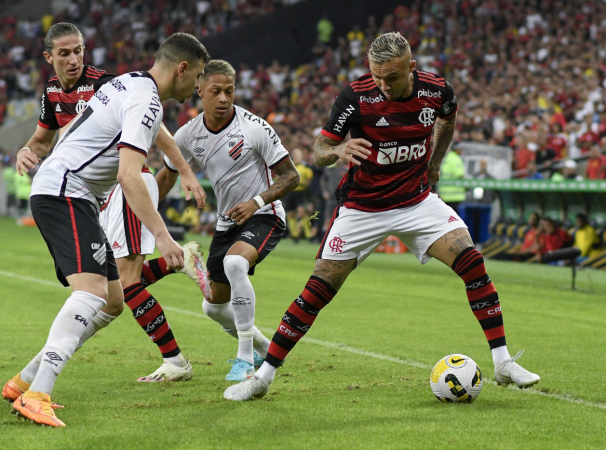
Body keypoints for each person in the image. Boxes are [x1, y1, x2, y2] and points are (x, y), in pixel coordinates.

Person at [225, 32, 540, 401]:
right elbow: (319, 151)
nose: (383, 85)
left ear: (412, 67)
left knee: (473, 263)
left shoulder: (437, 91)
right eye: (376, 76)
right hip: (362, 208)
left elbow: (448, 119)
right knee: (317, 291)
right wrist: (340, 148)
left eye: (391, 77)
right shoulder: (355, 97)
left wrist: (434, 164)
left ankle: (502, 361)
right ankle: (262, 378)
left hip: (417, 202)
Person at [3, 32, 209, 427]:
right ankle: (38, 393)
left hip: (66, 189)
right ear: (181, 69)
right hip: (66, 192)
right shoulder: (145, 99)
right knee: (92, 292)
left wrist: (182, 168)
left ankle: (23, 380)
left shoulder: (128, 81)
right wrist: (164, 237)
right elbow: (129, 176)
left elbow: (129, 133)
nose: (196, 87)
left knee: (114, 299)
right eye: (197, 76)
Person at [156, 60, 300, 381]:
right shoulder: (188, 134)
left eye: (230, 91)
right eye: (216, 91)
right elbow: (167, 175)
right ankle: (263, 346)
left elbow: (292, 176)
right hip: (227, 222)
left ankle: (245, 360)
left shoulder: (254, 128)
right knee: (213, 306)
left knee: (236, 265)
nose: (223, 98)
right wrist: (142, 210)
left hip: (264, 214)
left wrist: (257, 201)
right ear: (200, 91)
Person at [438, 144, 465, 213]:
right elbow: (460, 175)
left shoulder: (446, 158)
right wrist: (467, 186)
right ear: (457, 149)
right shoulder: (456, 159)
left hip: (444, 194)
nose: (461, 151)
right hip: (455, 195)